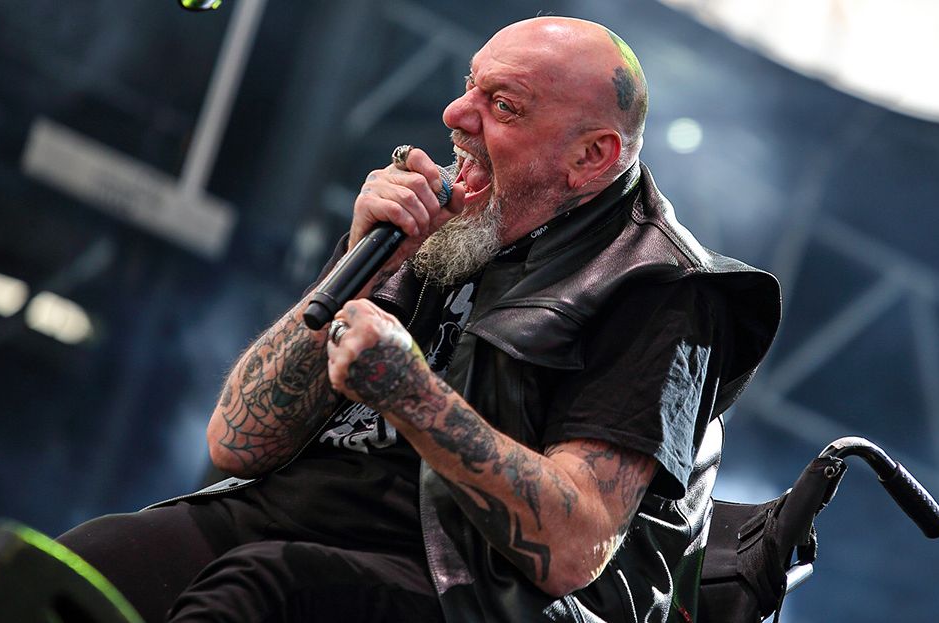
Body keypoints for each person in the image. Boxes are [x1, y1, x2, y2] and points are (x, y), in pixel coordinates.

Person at [58, 15, 780, 623]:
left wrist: (412, 394)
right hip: (305, 518)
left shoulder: (665, 287)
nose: (456, 116)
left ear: (592, 156)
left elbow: (574, 548)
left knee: (258, 590)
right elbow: (237, 443)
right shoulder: (446, 224)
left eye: (504, 105)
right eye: (470, 86)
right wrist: (362, 261)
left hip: (473, 584)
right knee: (84, 566)